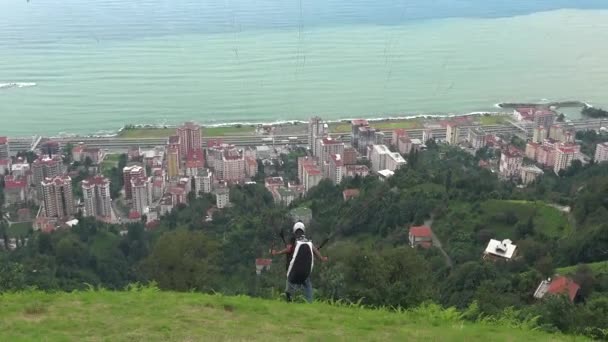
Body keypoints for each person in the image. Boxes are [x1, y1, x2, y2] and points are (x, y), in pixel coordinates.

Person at [271, 221, 328, 303]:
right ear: (303, 230)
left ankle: (289, 299)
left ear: (294, 231)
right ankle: (310, 302)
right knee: (308, 285)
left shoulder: (293, 241)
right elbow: (316, 252)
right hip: (305, 273)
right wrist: (322, 258)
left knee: (290, 282)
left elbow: (288, 249)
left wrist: (277, 253)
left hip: (294, 272)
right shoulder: (309, 242)